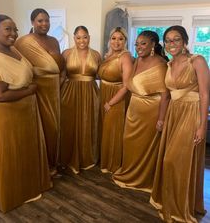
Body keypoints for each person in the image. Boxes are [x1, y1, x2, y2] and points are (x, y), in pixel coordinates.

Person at [0, 14, 51, 212]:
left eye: (15, 29)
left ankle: (26, 187)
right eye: (8, 29)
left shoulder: (12, 48)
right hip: (5, 116)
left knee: (22, 152)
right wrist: (29, 91)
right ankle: (11, 193)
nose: (13, 33)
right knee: (9, 153)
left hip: (23, 112)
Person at [150, 26, 209, 223]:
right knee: (171, 160)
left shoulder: (197, 61)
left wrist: (202, 126)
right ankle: (171, 201)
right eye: (167, 40)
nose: (171, 43)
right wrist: (162, 118)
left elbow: (205, 94)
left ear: (184, 42)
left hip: (191, 114)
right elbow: (167, 96)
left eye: (176, 39)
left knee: (175, 160)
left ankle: (179, 207)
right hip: (174, 114)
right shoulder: (168, 64)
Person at [113, 30, 170, 191]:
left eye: (143, 43)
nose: (139, 47)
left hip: (150, 112)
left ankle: (143, 178)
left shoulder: (161, 65)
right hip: (133, 109)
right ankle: (129, 172)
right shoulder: (137, 60)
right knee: (130, 144)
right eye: (137, 44)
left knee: (145, 147)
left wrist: (161, 119)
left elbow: (165, 96)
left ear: (153, 44)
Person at [15, 8, 65, 176]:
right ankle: (41, 167)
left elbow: (61, 65)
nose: (44, 24)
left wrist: (62, 79)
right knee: (41, 127)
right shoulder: (23, 42)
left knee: (55, 127)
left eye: (47, 20)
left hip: (55, 88)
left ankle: (53, 162)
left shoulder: (54, 41)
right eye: (40, 20)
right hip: (37, 88)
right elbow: (18, 67)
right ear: (32, 22)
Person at [60, 26, 101, 174]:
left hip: (90, 92)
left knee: (88, 124)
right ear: (74, 38)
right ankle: (69, 157)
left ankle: (86, 157)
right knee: (70, 124)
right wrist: (55, 93)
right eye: (78, 37)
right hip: (70, 91)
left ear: (89, 37)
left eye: (84, 37)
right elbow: (62, 75)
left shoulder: (96, 55)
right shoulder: (66, 54)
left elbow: (101, 75)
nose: (81, 40)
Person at [98, 27, 134, 173]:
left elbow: (126, 86)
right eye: (114, 38)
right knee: (105, 129)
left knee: (113, 130)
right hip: (104, 93)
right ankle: (104, 159)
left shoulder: (125, 57)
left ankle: (112, 163)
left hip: (116, 97)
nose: (117, 42)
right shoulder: (107, 56)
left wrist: (111, 102)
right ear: (109, 40)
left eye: (121, 39)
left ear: (125, 41)